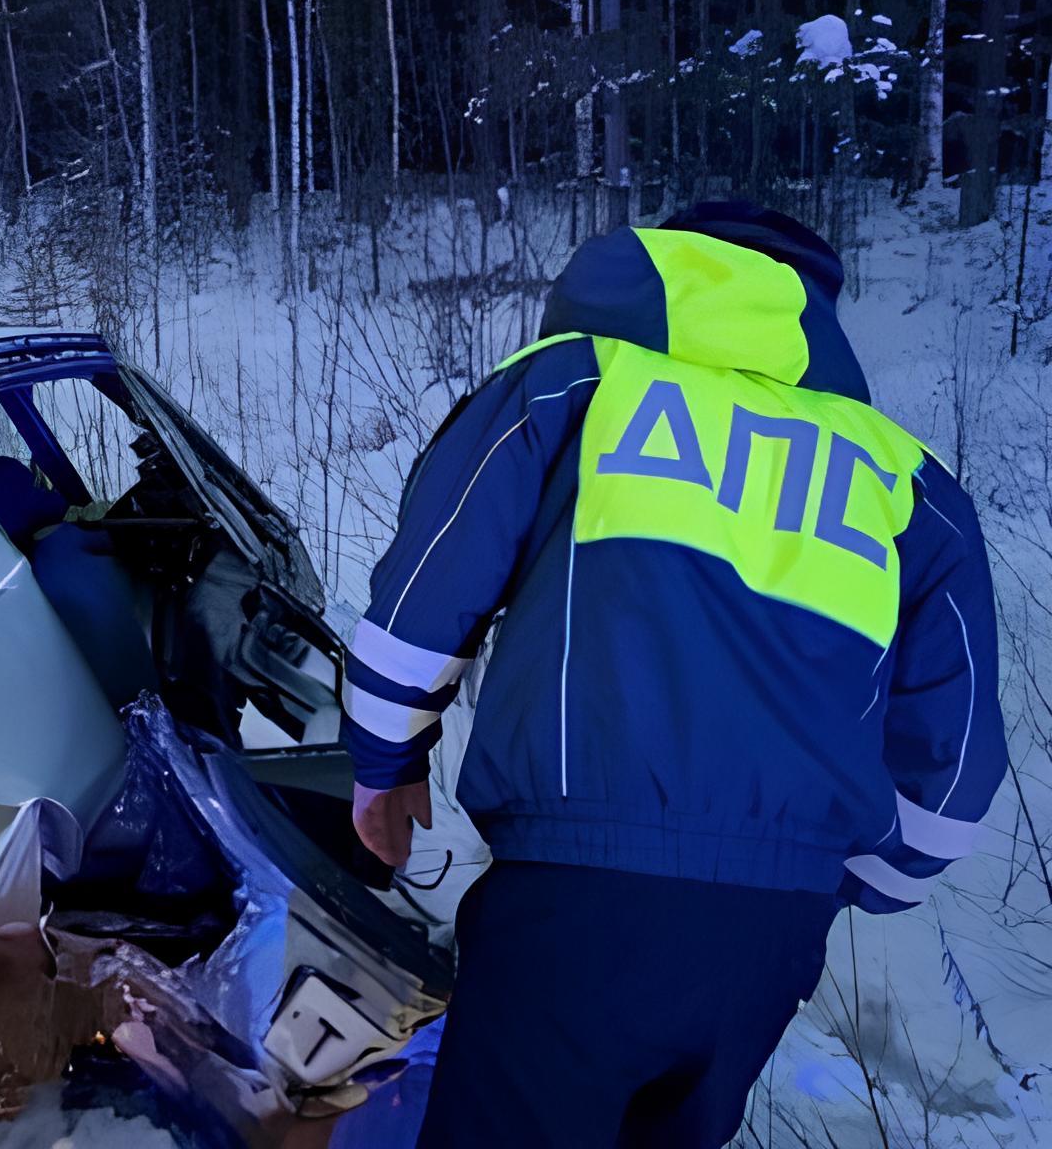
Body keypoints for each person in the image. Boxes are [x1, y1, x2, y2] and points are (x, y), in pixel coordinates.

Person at [342, 203, 1005, 1148]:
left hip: (572, 896)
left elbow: (425, 594)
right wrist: (847, 877)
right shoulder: (907, 479)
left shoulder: (575, 383)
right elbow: (959, 757)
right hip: (775, 931)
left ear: (662, 267)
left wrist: (385, 762)